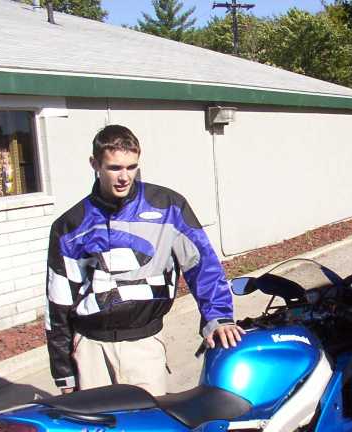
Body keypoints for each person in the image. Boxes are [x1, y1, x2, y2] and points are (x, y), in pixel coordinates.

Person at [46, 125, 244, 396]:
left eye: (132, 167)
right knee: (100, 420)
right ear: (95, 164)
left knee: (151, 418)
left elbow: (202, 266)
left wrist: (219, 317)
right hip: (91, 350)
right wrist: (63, 373)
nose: (124, 177)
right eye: (114, 168)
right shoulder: (70, 224)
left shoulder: (169, 207)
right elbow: (57, 303)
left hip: (145, 347)